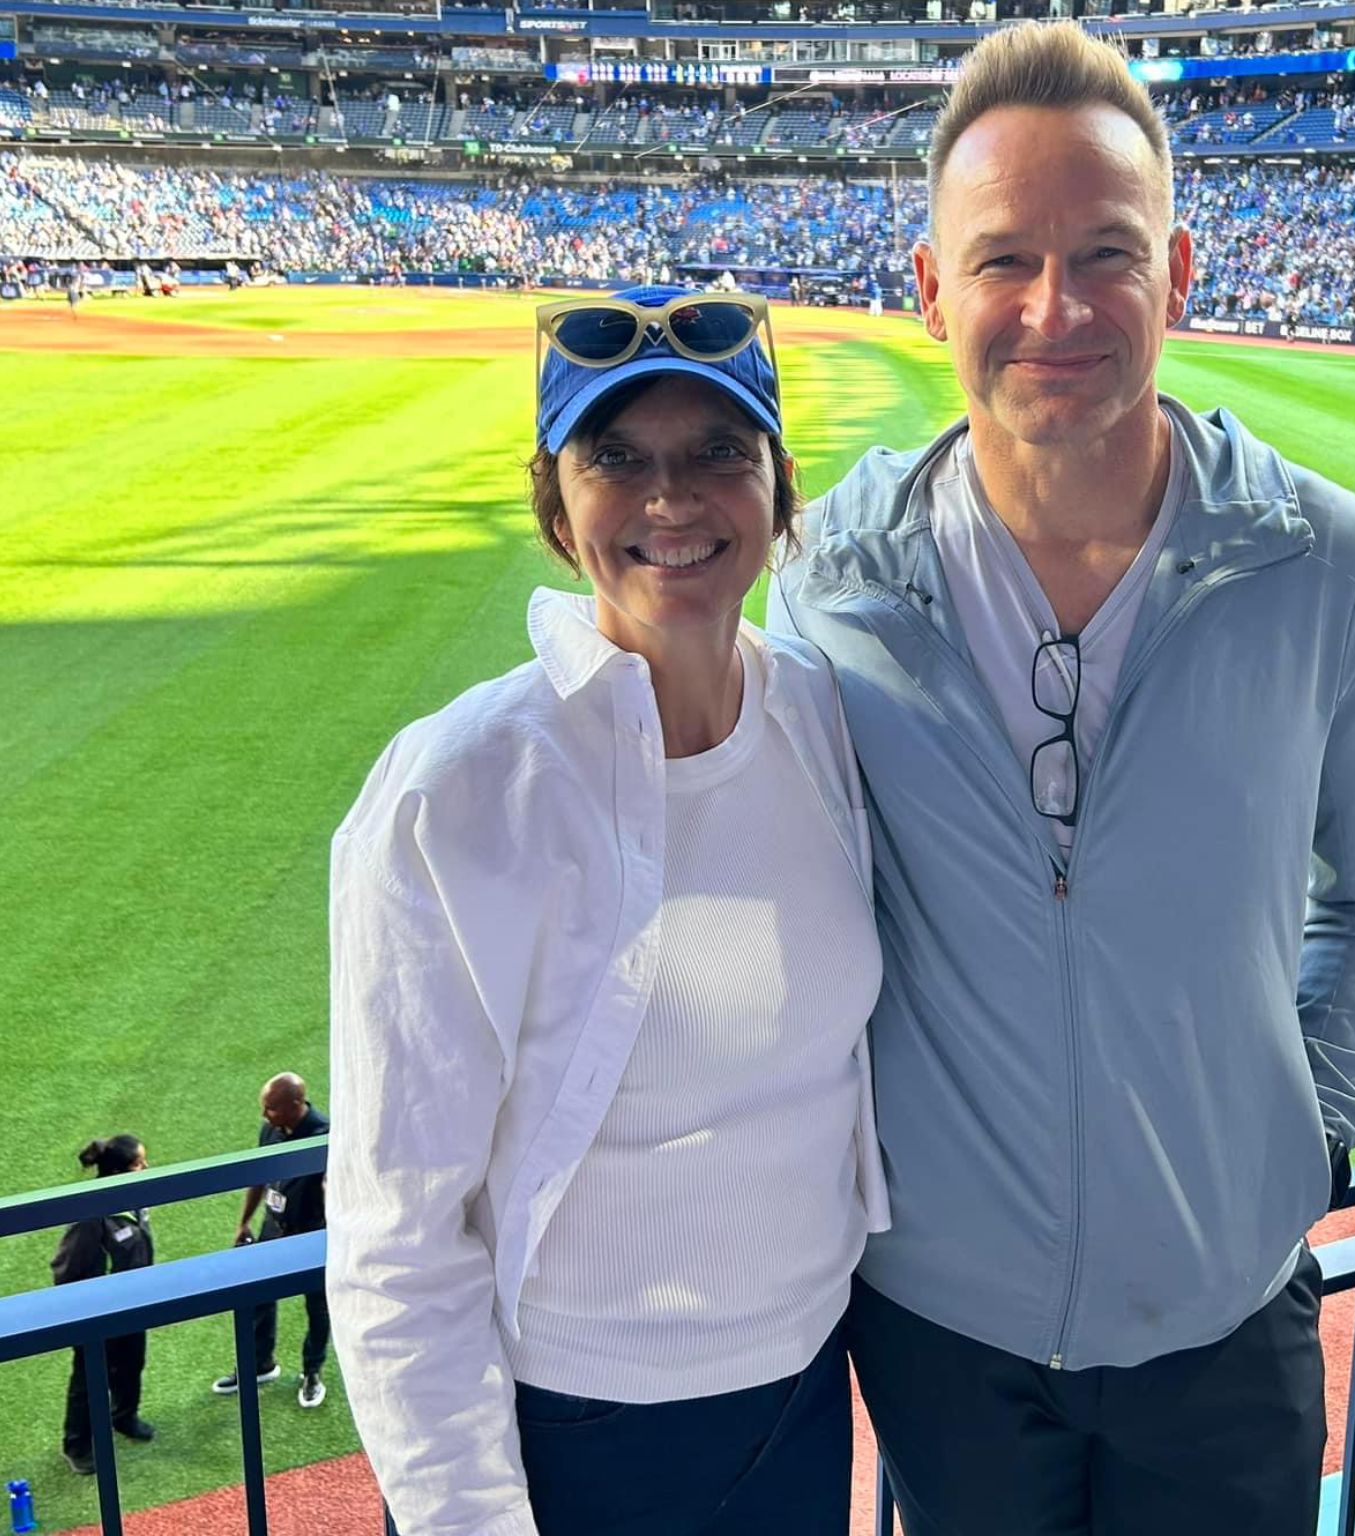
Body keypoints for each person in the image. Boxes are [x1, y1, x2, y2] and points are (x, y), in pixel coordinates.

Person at [770, 23, 1355, 1536]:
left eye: (1108, 253)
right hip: (944, 1332)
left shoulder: (1327, 563)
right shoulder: (825, 581)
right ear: (934, 287)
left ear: (1180, 272)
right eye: (1004, 259)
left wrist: (1302, 1142)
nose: (1056, 307)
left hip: (1229, 1320)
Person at [327, 285, 885, 1536]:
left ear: (778, 488)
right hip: (579, 1432)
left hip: (808, 1387)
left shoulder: (822, 722)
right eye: (615, 458)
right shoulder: (456, 790)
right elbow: (395, 1232)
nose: (670, 502)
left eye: (717, 455)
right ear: (555, 499)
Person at [209, 1073, 332, 1409]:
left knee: (318, 1306)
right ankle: (259, 1364)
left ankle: (312, 1372)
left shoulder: (326, 1135)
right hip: (274, 1227)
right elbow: (259, 1176)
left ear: (296, 1105)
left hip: (313, 1233)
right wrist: (244, 1221)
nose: (265, 1116)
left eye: (272, 1109)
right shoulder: (271, 1130)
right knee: (258, 1294)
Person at [52, 1135, 155, 1477]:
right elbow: (65, 1266)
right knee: (89, 1377)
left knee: (131, 1363)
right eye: (140, 1163)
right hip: (97, 1310)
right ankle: (77, 1445)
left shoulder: (135, 1199)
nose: (146, 1168)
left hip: (133, 1303)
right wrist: (81, 1308)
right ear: (119, 1171)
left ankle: (123, 1417)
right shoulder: (91, 1215)